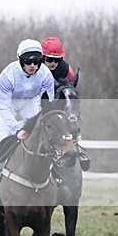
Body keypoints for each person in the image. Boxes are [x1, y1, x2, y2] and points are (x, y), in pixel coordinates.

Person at [0, 39, 55, 188]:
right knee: (2, 133)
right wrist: (17, 130)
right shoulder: (8, 75)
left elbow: (48, 103)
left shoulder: (45, 74)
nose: (33, 66)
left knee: (41, 129)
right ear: (20, 60)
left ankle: (53, 170)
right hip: (8, 103)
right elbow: (3, 107)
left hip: (30, 101)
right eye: (28, 62)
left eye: (37, 61)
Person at [41, 36, 90, 171]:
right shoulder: (35, 68)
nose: (52, 63)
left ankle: (76, 149)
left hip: (57, 99)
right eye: (49, 59)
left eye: (56, 60)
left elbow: (70, 91)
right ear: (42, 58)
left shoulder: (67, 71)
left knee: (66, 121)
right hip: (38, 99)